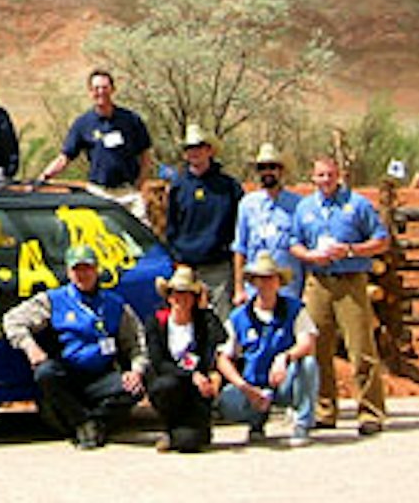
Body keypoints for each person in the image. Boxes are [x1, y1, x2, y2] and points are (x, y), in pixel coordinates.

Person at [1, 244, 147, 449]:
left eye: (87, 268)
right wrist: (30, 347)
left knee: (135, 388)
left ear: (97, 270)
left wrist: (136, 370)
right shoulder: (53, 300)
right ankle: (83, 422)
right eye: (76, 269)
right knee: (45, 373)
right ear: (69, 272)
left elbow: (137, 342)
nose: (82, 275)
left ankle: (92, 423)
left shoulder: (115, 304)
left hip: (101, 376)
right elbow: (12, 320)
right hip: (68, 375)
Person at [289, 155, 390, 435]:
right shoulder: (305, 208)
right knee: (317, 346)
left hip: (350, 280)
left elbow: (381, 240)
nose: (325, 180)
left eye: (330, 175)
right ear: (313, 178)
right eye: (320, 176)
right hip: (318, 282)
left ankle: (370, 412)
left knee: (360, 347)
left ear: (339, 175)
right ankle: (324, 409)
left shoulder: (357, 205)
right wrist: (309, 255)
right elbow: (293, 242)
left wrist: (350, 250)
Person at [215, 251, 320, 447]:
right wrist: (245, 388)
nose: (265, 284)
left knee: (308, 364)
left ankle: (303, 424)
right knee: (228, 401)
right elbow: (223, 358)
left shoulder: (294, 309)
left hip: (283, 381)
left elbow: (308, 342)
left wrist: (285, 357)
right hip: (253, 384)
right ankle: (256, 423)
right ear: (253, 282)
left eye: (270, 278)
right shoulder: (239, 316)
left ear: (279, 282)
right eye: (260, 279)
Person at [40, 69, 152, 220]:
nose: (101, 92)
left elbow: (145, 154)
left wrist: (141, 182)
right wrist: (44, 177)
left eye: (105, 87)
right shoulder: (83, 124)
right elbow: (65, 157)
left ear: (113, 89)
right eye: (96, 88)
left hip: (129, 193)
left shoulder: (131, 120)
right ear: (90, 92)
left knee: (141, 236)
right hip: (99, 193)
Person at [143, 265, 224, 452]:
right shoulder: (156, 322)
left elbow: (221, 339)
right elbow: (159, 362)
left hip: (198, 390)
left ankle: (193, 429)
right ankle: (170, 426)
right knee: (166, 385)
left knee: (190, 443)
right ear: (169, 296)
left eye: (188, 294)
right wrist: (191, 375)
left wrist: (206, 309)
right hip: (172, 384)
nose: (181, 299)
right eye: (176, 293)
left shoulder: (203, 322)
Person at [165, 124, 243, 309]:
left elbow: (238, 226)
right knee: (187, 320)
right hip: (186, 267)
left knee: (222, 322)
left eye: (199, 147)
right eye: (189, 148)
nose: (194, 152)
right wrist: (177, 258)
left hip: (218, 267)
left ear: (209, 150)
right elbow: (171, 226)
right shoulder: (178, 187)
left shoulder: (228, 187)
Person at [232, 142, 303, 305]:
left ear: (281, 170)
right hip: (254, 287)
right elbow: (240, 248)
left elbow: (304, 247)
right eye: (262, 168)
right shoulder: (247, 204)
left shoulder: (298, 205)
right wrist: (239, 288)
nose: (267, 172)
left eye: (272, 167)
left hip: (289, 287)